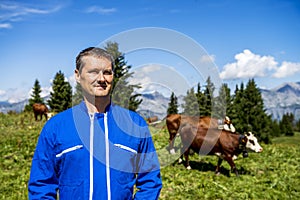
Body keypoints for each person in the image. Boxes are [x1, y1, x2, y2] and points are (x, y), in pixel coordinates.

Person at [28, 47, 162, 199]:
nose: (101, 79)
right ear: (77, 76)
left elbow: (150, 182)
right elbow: (41, 186)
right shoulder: (56, 127)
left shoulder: (135, 124)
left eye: (107, 72)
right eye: (93, 71)